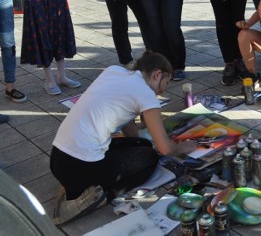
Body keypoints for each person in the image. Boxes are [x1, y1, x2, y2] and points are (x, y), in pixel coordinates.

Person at [50, 51, 196, 226]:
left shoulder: (114, 71)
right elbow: (165, 148)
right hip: (80, 168)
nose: (163, 89)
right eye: (166, 82)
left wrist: (142, 146)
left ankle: (73, 186)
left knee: (143, 145)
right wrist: (185, 147)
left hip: (58, 159)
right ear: (157, 74)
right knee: (150, 158)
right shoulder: (146, 94)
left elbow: (126, 120)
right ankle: (94, 196)